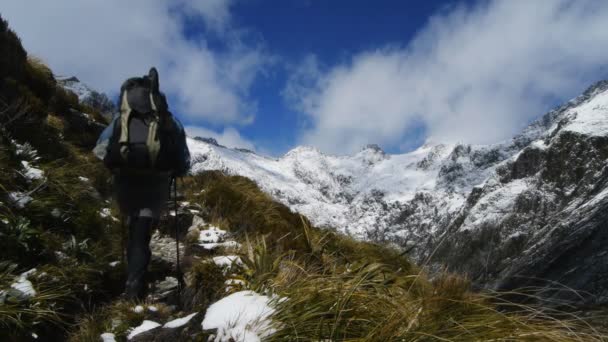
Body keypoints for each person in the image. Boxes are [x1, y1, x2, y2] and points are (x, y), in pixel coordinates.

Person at [94, 67, 190, 299]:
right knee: (142, 232)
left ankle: (130, 274)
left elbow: (100, 149)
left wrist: (115, 166)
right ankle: (135, 286)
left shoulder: (121, 118)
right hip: (156, 184)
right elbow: (183, 157)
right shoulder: (168, 121)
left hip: (125, 180)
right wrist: (176, 170)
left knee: (131, 225)